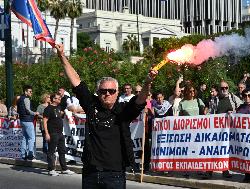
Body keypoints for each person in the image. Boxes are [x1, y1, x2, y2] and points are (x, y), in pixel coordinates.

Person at [55, 44, 158, 189]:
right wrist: (62, 56)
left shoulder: (123, 110)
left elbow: (140, 100)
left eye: (111, 90)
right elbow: (76, 81)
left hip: (114, 174)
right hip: (91, 172)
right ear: (98, 92)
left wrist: (148, 81)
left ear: (117, 92)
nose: (107, 94)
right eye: (103, 91)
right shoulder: (91, 105)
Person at [43, 93, 74, 176]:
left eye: (60, 98)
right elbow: (45, 121)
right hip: (52, 133)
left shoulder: (58, 107)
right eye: (58, 98)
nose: (59, 100)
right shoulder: (48, 109)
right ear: (53, 99)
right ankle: (51, 169)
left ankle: (64, 169)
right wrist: (46, 133)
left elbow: (60, 114)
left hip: (60, 133)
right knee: (51, 151)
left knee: (62, 151)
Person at [17, 85, 39, 160]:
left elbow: (19, 110)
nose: (31, 93)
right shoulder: (26, 99)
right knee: (31, 138)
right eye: (30, 91)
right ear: (25, 91)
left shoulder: (19, 99)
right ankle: (30, 154)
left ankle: (23, 155)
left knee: (24, 137)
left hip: (22, 120)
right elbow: (28, 110)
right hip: (28, 120)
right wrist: (35, 113)